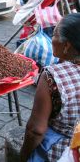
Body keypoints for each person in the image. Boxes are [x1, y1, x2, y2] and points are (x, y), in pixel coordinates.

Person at [20, 13, 80, 162]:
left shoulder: (52, 75)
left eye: (54, 34)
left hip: (64, 152)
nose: (51, 39)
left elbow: (35, 131)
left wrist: (22, 157)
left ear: (66, 46)